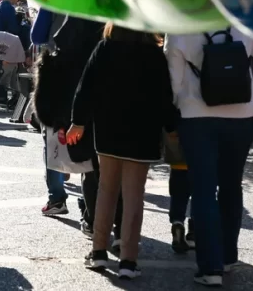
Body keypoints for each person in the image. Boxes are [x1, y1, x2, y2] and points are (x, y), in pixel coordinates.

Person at [165, 27, 253, 287]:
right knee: (231, 186)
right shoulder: (242, 19)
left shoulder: (179, 24)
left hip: (196, 116)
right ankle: (228, 257)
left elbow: (174, 81)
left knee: (203, 190)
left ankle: (210, 267)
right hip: (241, 114)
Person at [67, 24, 178, 280]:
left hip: (108, 130)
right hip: (142, 134)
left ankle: (98, 251)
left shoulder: (105, 47)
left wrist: (78, 121)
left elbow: (86, 86)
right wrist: (172, 127)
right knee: (133, 196)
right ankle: (128, 259)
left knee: (106, 190)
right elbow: (164, 95)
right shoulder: (153, 53)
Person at [31, 0, 98, 218]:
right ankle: (91, 207)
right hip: (93, 72)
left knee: (54, 134)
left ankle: (57, 197)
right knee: (90, 139)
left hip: (59, 75)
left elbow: (37, 35)